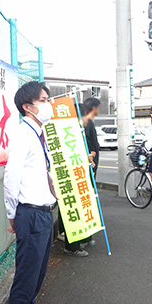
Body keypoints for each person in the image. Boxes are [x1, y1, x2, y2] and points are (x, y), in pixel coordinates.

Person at [4, 81, 58, 304]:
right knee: (25, 281)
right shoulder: (23, 135)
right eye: (44, 99)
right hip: (31, 214)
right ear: (28, 106)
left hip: (44, 213)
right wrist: (12, 215)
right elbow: (10, 178)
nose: (49, 104)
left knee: (36, 276)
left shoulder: (38, 134)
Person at [58, 103, 93, 257]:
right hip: (69, 176)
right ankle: (72, 246)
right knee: (73, 210)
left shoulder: (76, 128)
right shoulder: (66, 130)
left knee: (81, 208)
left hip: (77, 174)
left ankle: (81, 239)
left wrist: (88, 159)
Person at [83, 97, 101, 176]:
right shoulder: (87, 122)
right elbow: (88, 138)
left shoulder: (84, 121)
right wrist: (92, 150)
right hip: (90, 158)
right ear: (94, 108)